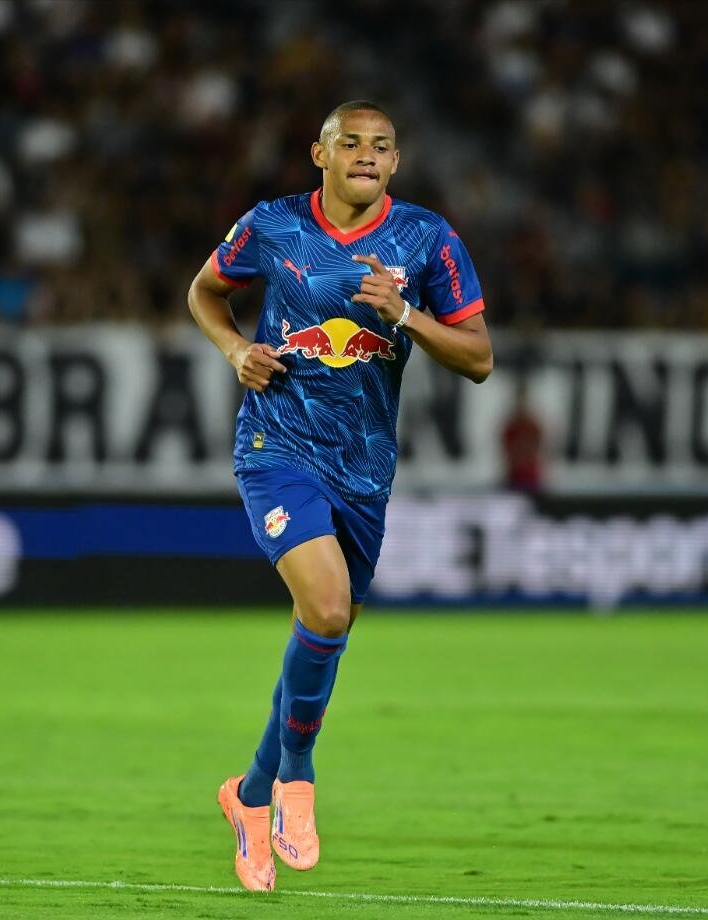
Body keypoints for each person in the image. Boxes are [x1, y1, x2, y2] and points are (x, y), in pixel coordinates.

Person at [186, 100, 493, 892]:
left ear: (396, 162)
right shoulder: (274, 225)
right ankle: (296, 776)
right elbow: (205, 293)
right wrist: (235, 350)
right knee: (325, 610)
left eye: (381, 146)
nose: (366, 155)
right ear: (318, 153)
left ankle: (249, 793)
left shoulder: (427, 240)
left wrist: (407, 315)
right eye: (349, 142)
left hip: (365, 468)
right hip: (277, 448)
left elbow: (479, 358)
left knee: (324, 631)